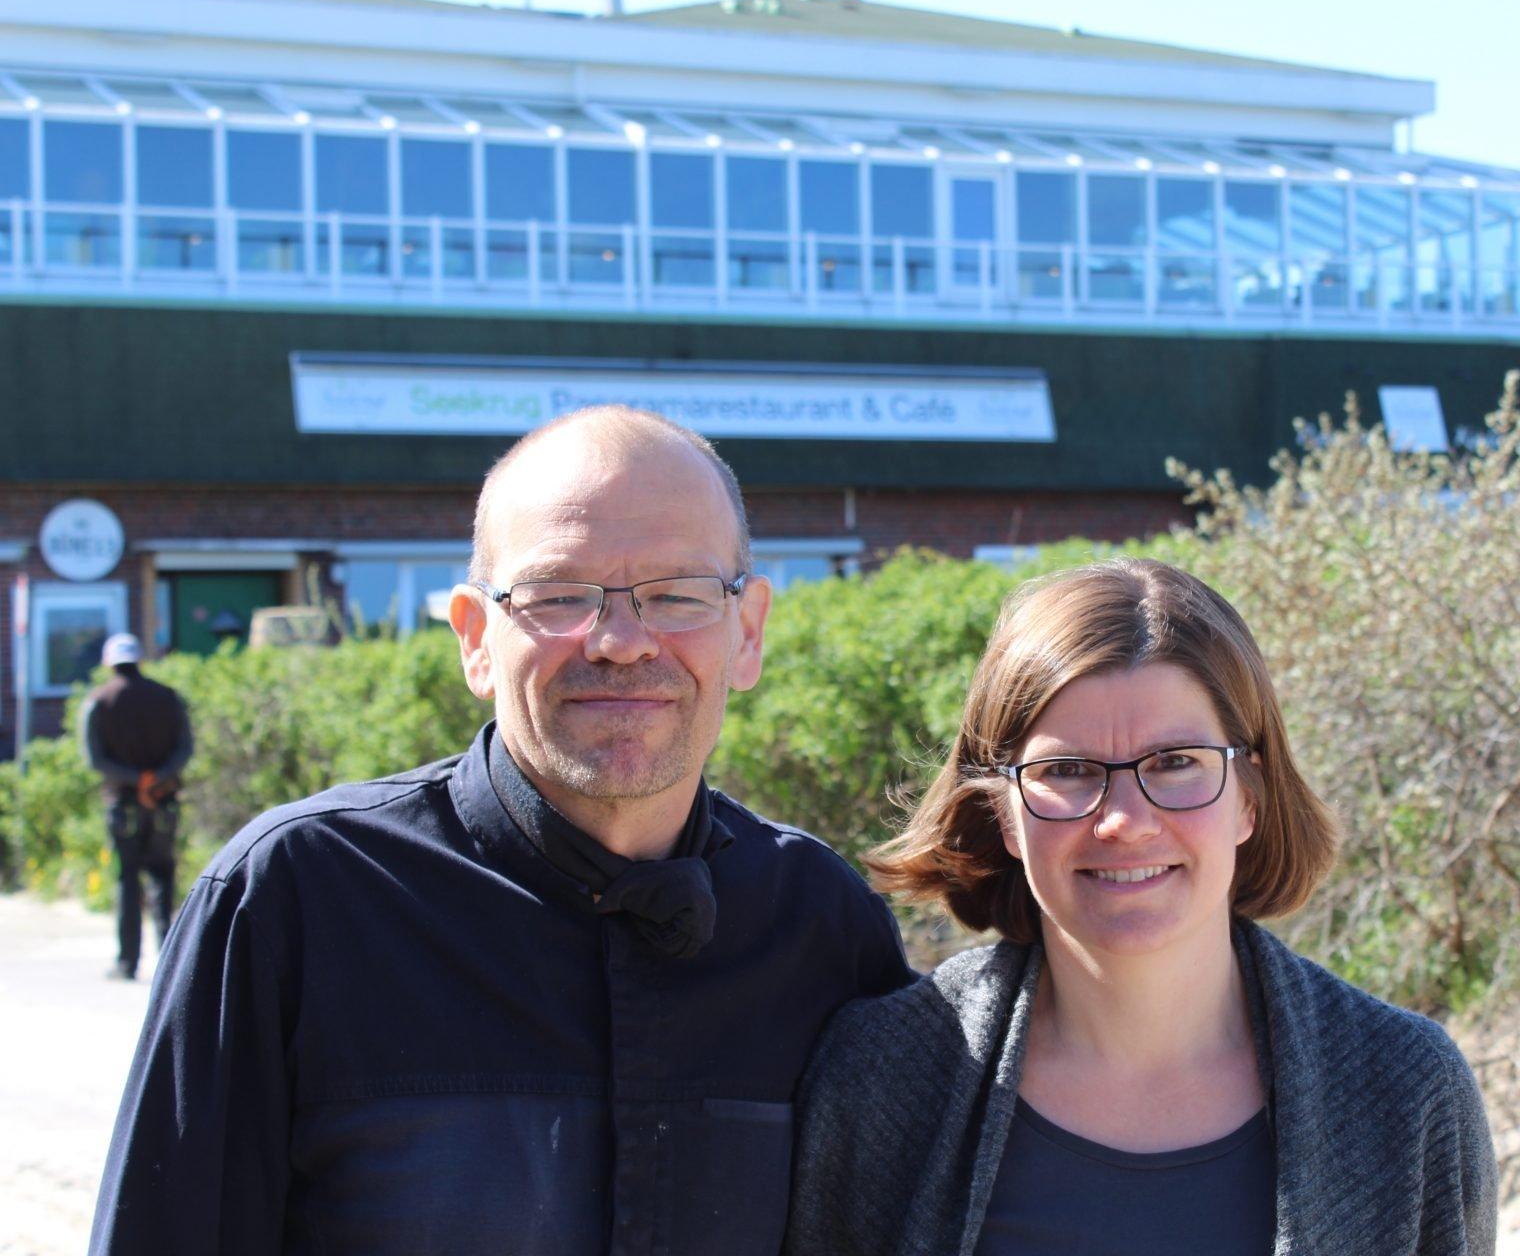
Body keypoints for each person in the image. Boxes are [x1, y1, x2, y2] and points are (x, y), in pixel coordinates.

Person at [91, 407, 913, 1255]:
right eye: (559, 596)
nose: (623, 642)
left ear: (747, 633)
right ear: (476, 639)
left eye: (677, 594)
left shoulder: (823, 926)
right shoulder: (293, 905)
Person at [786, 558, 1497, 1256]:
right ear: (1005, 814)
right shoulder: (882, 1078)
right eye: (1066, 771)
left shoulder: (1405, 1089)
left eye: (1176, 762)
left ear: (1249, 794)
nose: (1125, 820)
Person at [80, 633, 193, 981]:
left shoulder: (98, 701)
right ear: (141, 659)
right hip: (164, 801)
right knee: (163, 876)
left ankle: (127, 962)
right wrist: (156, 778)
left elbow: (95, 759)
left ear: (108, 662)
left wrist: (135, 779)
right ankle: (169, 960)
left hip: (122, 804)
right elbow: (185, 750)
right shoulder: (168, 697)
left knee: (126, 880)